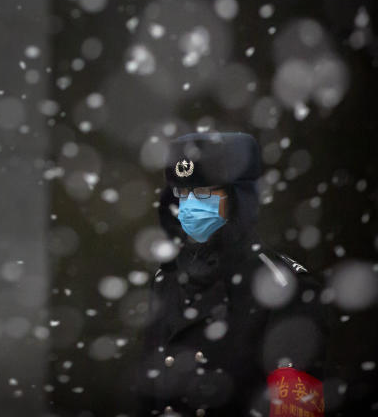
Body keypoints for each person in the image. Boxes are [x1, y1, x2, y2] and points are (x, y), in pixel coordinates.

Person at [137, 131, 330, 416]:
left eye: (203, 194)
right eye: (182, 194)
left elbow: (297, 410)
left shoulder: (284, 287)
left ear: (239, 199)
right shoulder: (166, 279)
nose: (189, 207)